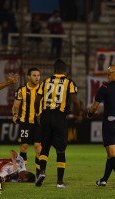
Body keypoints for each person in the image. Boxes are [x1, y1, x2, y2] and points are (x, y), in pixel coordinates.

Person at [87, 38, 115, 188]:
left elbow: (94, 107)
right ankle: (104, 179)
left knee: (113, 154)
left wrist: (89, 114)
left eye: (108, 73)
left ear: (111, 74)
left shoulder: (104, 87)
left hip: (110, 123)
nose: (107, 75)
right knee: (110, 153)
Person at [34, 59, 82, 188]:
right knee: (61, 150)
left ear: (54, 70)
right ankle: (60, 182)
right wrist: (79, 114)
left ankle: (42, 173)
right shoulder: (68, 82)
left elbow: (37, 100)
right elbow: (75, 101)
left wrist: (39, 115)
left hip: (45, 115)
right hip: (59, 117)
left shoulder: (45, 82)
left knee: (45, 147)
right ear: (65, 70)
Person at [12, 67, 42, 177]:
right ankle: (23, 172)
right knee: (24, 146)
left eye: (38, 75)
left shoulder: (43, 89)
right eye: (34, 75)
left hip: (39, 123)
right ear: (28, 77)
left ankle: (39, 173)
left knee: (38, 147)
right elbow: (16, 106)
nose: (37, 77)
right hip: (25, 122)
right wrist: (15, 114)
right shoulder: (21, 90)